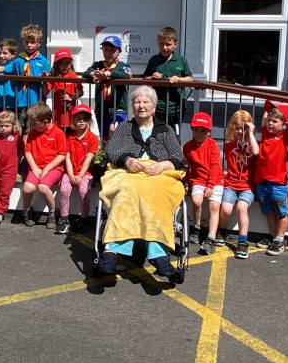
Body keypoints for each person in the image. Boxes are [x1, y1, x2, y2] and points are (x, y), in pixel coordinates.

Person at [95, 85, 187, 282]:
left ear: (154, 107)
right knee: (127, 191)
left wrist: (162, 165)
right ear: (132, 106)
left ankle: (158, 251)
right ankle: (112, 250)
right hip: (127, 172)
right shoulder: (124, 128)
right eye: (137, 102)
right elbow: (111, 151)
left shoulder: (165, 130)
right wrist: (127, 160)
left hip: (159, 174)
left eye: (146, 102)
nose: (141, 106)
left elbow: (178, 157)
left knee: (155, 193)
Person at [0, 24, 49, 130]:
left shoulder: (43, 61)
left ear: (38, 42)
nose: (29, 45)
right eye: (26, 42)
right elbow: (3, 68)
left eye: (32, 42)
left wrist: (45, 78)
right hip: (22, 101)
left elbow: (48, 81)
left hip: (36, 100)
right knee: (24, 127)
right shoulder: (19, 60)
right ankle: (24, 147)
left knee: (37, 126)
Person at [256, 102, 288, 257]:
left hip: (278, 182)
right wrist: (274, 106)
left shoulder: (286, 138)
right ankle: (273, 236)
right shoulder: (265, 134)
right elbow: (264, 117)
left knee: (281, 211)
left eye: (275, 121)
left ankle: (280, 239)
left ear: (284, 124)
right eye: (270, 120)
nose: (270, 123)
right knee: (268, 209)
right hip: (262, 180)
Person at [221, 109, 259, 259]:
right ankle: (222, 230)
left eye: (244, 128)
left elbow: (256, 152)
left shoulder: (252, 144)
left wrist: (250, 134)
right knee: (226, 208)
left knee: (242, 208)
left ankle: (242, 240)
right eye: (237, 127)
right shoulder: (229, 145)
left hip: (247, 186)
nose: (240, 131)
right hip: (231, 183)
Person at [21, 102, 67, 227]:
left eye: (35, 123)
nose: (32, 126)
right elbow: (28, 151)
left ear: (46, 121)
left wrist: (47, 168)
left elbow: (62, 154)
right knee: (27, 187)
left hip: (53, 168)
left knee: (43, 187)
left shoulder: (58, 133)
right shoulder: (33, 133)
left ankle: (52, 212)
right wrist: (35, 167)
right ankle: (26, 210)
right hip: (36, 167)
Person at [55, 104, 99, 234]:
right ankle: (64, 219)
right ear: (73, 121)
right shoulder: (69, 137)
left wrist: (80, 175)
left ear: (89, 121)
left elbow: (88, 159)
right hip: (70, 171)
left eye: (84, 119)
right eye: (78, 118)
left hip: (86, 173)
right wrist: (70, 174)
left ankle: (84, 219)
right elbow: (67, 158)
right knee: (64, 189)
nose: (81, 121)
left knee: (83, 190)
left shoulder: (92, 138)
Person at [183, 111, 223, 254]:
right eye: (196, 130)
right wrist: (186, 182)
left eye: (203, 131)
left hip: (215, 179)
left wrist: (211, 185)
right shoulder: (188, 147)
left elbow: (215, 166)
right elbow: (187, 166)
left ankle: (211, 236)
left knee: (214, 205)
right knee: (196, 200)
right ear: (192, 129)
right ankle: (197, 226)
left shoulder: (212, 145)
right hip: (198, 179)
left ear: (209, 132)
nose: (199, 134)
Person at [141, 26, 193, 127]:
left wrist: (179, 79)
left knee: (175, 133)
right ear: (157, 43)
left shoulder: (181, 60)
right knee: (158, 133)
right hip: (158, 105)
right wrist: (152, 78)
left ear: (175, 45)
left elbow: (190, 78)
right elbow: (145, 78)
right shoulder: (154, 60)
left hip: (177, 106)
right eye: (161, 44)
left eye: (168, 44)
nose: (164, 47)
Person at [82, 35, 132, 140]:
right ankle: (106, 155)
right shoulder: (98, 65)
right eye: (106, 49)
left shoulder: (123, 66)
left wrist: (108, 74)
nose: (108, 53)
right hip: (102, 108)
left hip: (118, 107)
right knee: (105, 138)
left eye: (112, 50)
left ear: (119, 52)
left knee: (115, 134)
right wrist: (93, 74)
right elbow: (86, 73)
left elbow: (126, 75)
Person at [47, 48, 81, 133]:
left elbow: (81, 91)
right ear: (56, 64)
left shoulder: (73, 75)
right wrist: (45, 80)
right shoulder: (54, 76)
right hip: (57, 115)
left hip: (71, 115)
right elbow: (45, 91)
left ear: (71, 63)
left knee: (71, 137)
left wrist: (72, 98)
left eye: (67, 63)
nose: (64, 65)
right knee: (59, 137)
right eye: (61, 63)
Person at [0, 38, 19, 115]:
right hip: (1, 101)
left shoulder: (14, 64)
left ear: (13, 54)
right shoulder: (2, 67)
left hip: (11, 101)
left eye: (5, 53)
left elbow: (2, 68)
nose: (1, 55)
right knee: (2, 123)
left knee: (10, 124)